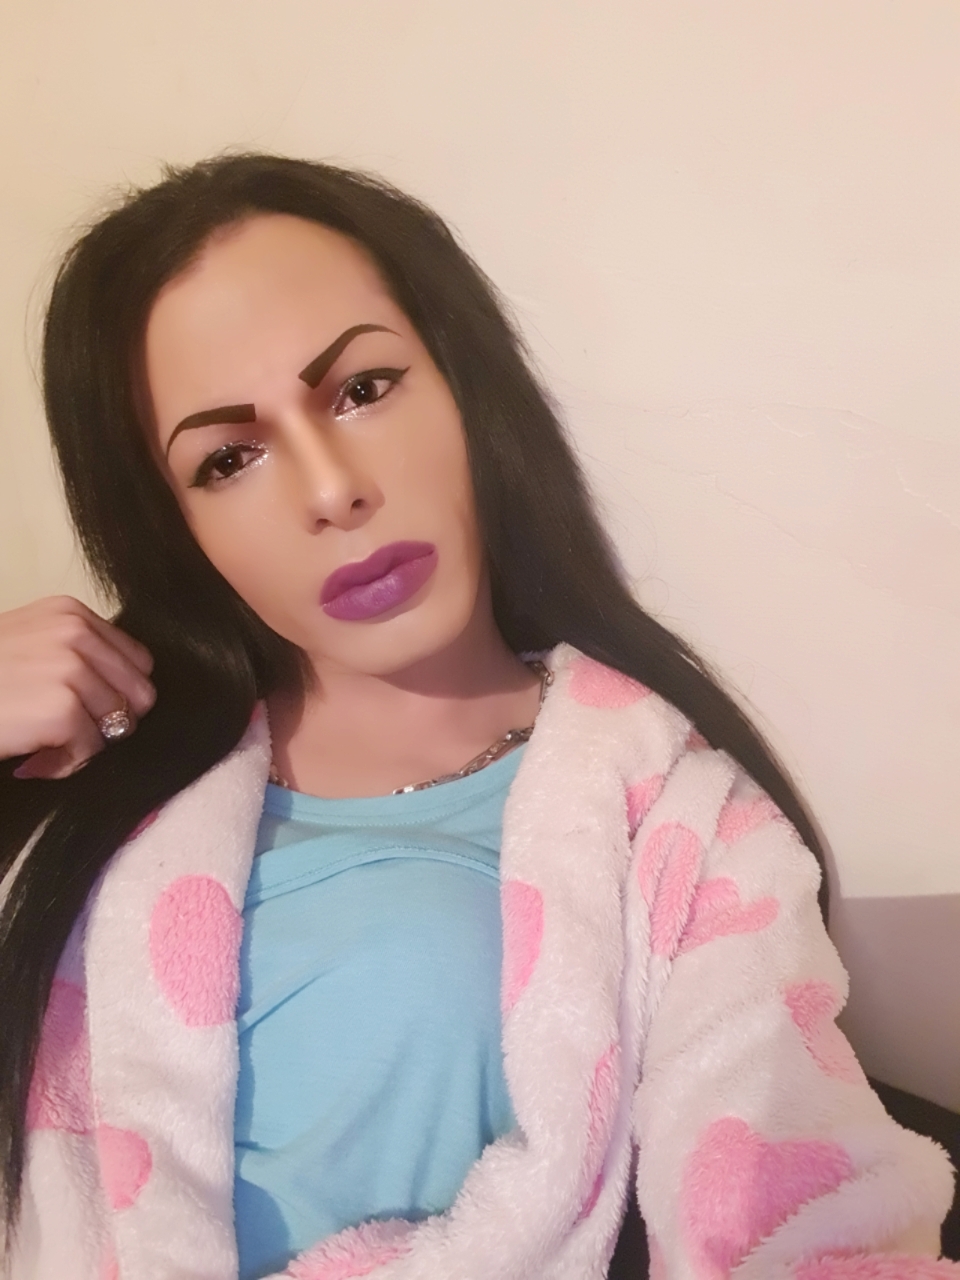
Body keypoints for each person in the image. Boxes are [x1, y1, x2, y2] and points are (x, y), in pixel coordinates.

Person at [0, 154, 955, 1280]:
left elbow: (793, 1211)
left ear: (466, 388)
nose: (331, 489)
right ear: (175, 528)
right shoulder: (90, 790)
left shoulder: (678, 826)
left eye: (363, 388)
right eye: (229, 458)